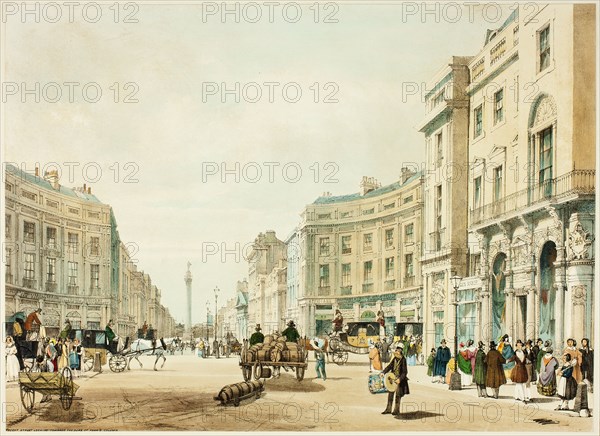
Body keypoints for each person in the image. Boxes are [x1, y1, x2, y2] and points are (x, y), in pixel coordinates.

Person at [381, 343, 409, 416]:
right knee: (390, 395)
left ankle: (396, 410)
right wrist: (383, 372)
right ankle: (388, 409)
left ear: (401, 351)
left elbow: (405, 372)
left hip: (399, 380)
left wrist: (400, 379)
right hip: (392, 379)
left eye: (399, 349)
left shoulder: (403, 360)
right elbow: (390, 366)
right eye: (397, 349)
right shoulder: (395, 358)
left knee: (398, 396)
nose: (397, 351)